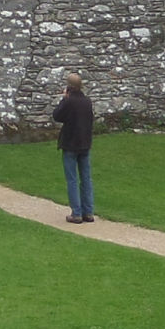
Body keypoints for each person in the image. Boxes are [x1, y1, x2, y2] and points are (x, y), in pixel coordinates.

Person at [52, 73, 96, 223]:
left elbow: (57, 115)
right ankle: (88, 212)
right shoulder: (87, 101)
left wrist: (64, 99)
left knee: (72, 179)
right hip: (85, 143)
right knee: (86, 178)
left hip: (71, 144)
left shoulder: (69, 101)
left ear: (69, 87)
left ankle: (76, 213)